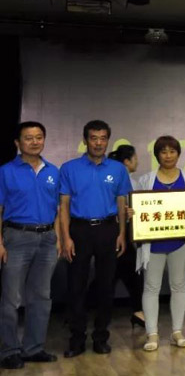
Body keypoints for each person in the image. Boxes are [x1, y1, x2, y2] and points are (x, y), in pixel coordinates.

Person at [59, 120, 131, 358]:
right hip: (79, 230)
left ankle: (101, 337)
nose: (98, 143)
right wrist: (66, 237)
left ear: (108, 140)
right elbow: (64, 205)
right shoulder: (69, 168)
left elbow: (121, 202)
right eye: (93, 138)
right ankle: (77, 339)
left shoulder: (118, 169)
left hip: (108, 229)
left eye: (103, 138)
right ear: (85, 140)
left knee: (106, 286)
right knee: (76, 286)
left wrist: (122, 233)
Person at [135, 136, 185, 351]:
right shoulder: (146, 180)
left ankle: (177, 332)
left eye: (172, 151)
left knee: (179, 286)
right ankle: (152, 334)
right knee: (151, 288)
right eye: (163, 152)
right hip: (153, 243)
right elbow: (139, 208)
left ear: (178, 154)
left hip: (180, 242)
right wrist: (132, 212)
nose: (168, 156)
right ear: (157, 155)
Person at [0, 122, 60, 369]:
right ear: (17, 143)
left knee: (41, 297)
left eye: (39, 137)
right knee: (11, 298)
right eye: (28, 138)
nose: (35, 142)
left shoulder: (53, 171)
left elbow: (58, 208)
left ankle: (34, 348)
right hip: (16, 237)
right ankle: (9, 351)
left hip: (47, 239)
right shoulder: (5, 171)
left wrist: (58, 237)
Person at [95, 145, 144, 328]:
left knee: (119, 273)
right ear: (127, 161)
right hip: (115, 231)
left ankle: (138, 311)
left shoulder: (130, 181)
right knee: (123, 274)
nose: (137, 162)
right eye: (135, 158)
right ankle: (138, 311)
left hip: (122, 231)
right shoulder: (125, 181)